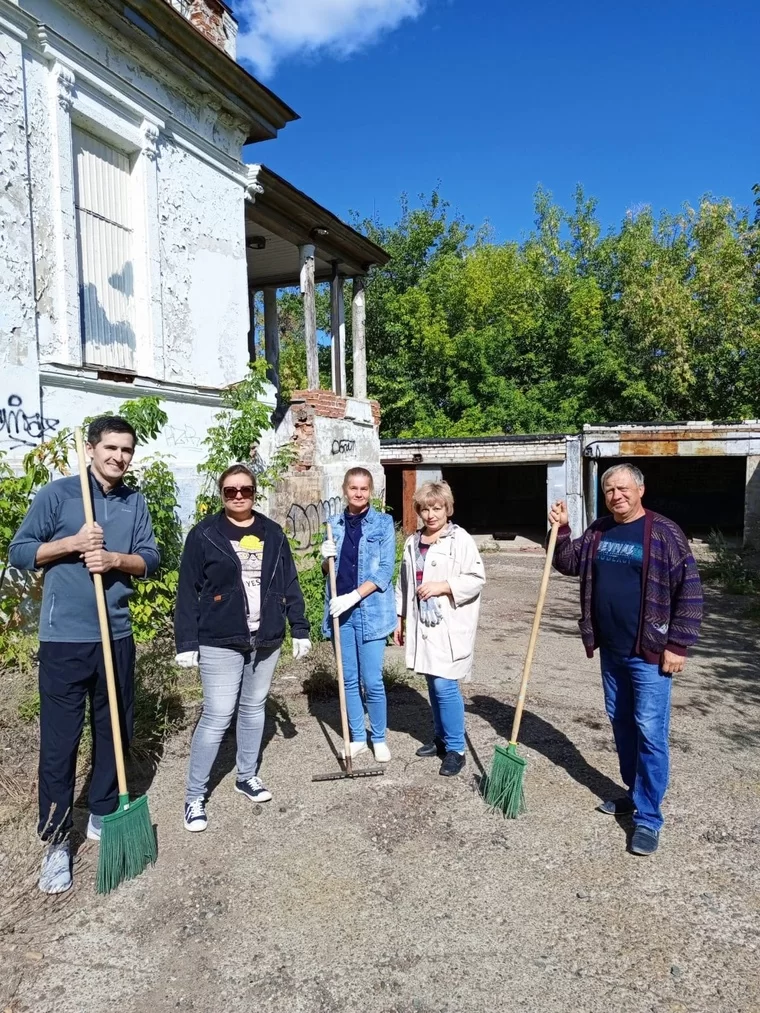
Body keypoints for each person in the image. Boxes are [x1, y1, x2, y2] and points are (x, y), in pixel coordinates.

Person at [9, 416, 160, 894]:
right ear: (92, 448)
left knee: (115, 729)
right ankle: (56, 841)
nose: (119, 457)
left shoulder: (133, 501)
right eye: (111, 448)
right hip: (65, 639)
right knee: (60, 742)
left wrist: (115, 560)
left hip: (115, 634)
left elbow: (150, 559)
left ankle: (100, 811)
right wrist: (72, 545)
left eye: (127, 450)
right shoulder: (58, 495)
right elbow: (19, 551)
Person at [549, 463, 703, 856]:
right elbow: (567, 562)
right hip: (613, 651)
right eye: (609, 491)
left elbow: (690, 590)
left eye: (622, 489)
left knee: (650, 732)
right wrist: (562, 528)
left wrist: (678, 645)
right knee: (623, 726)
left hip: (649, 653)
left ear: (640, 490)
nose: (616, 496)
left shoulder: (664, 533)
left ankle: (649, 819)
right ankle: (635, 795)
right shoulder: (600, 530)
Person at [175, 463, 310, 832]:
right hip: (219, 638)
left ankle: (246, 775)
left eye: (245, 490)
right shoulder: (205, 535)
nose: (238, 496)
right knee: (218, 715)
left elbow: (289, 582)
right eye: (230, 490)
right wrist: (186, 641)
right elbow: (187, 590)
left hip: (265, 637)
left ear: (254, 492)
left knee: (253, 709)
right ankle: (194, 796)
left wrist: (299, 627)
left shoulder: (274, 533)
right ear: (221, 494)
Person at [394, 481, 485, 776]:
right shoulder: (412, 542)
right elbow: (403, 583)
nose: (431, 515)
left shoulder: (460, 540)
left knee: (445, 685)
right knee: (432, 683)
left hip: (448, 623)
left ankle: (456, 749)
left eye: (437, 508)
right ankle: (440, 738)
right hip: (422, 622)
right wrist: (399, 617)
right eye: (425, 509)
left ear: (448, 508)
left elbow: (476, 578)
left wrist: (443, 586)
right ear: (418, 511)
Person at [320, 467, 396, 762]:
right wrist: (326, 559)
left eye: (364, 488)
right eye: (354, 488)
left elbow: (385, 571)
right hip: (342, 613)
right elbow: (329, 569)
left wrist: (353, 595)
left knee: (373, 680)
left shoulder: (383, 523)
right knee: (348, 679)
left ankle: (378, 738)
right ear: (345, 489)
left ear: (371, 491)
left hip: (371, 611)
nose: (359, 493)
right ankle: (358, 738)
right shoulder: (333, 525)